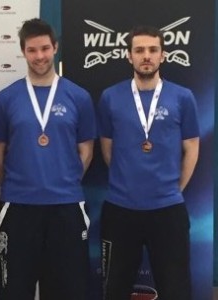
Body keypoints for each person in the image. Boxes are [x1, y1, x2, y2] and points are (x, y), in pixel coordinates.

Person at [0, 18, 96, 300]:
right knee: (14, 290)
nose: (40, 56)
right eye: (33, 50)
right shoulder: (5, 98)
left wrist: (64, 180)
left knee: (68, 290)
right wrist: (19, 183)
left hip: (66, 206)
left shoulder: (79, 97)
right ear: (24, 51)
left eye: (45, 49)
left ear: (55, 48)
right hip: (19, 206)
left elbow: (86, 150)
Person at [97, 25, 199, 300]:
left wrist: (174, 188)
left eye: (153, 50)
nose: (146, 56)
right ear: (129, 56)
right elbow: (108, 149)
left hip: (168, 210)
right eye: (139, 50)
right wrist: (127, 181)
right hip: (121, 209)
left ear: (163, 55)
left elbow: (191, 148)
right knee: (115, 289)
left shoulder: (182, 97)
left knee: (176, 289)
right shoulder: (110, 97)